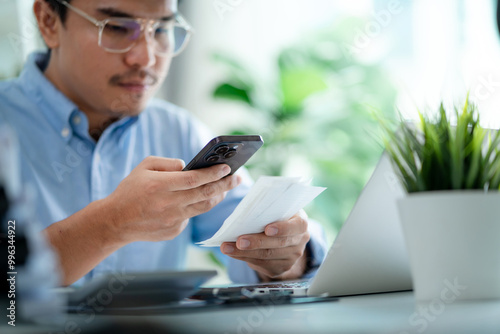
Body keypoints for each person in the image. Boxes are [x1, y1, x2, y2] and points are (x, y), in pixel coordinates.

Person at [0, 0, 327, 287]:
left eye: (161, 30)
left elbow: (265, 242)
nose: (145, 58)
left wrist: (286, 255)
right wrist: (112, 223)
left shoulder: (178, 130)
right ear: (48, 21)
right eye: (115, 27)